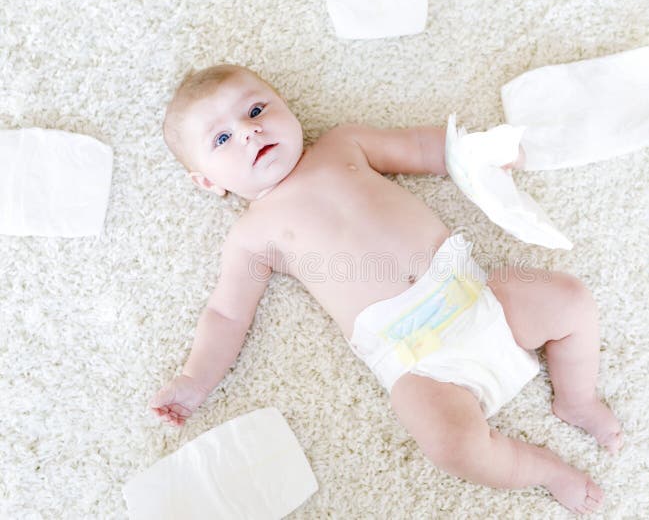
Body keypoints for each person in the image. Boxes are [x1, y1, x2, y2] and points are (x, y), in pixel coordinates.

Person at [150, 64, 623, 514]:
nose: (249, 131)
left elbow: (420, 148)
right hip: (418, 360)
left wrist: (479, 154)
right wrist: (195, 381)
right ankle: (544, 471)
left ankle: (576, 399)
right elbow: (227, 316)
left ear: (285, 106)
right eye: (223, 138)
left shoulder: (342, 144)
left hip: (476, 296)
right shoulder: (251, 236)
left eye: (255, 111)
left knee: (570, 299)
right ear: (208, 182)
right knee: (451, 445)